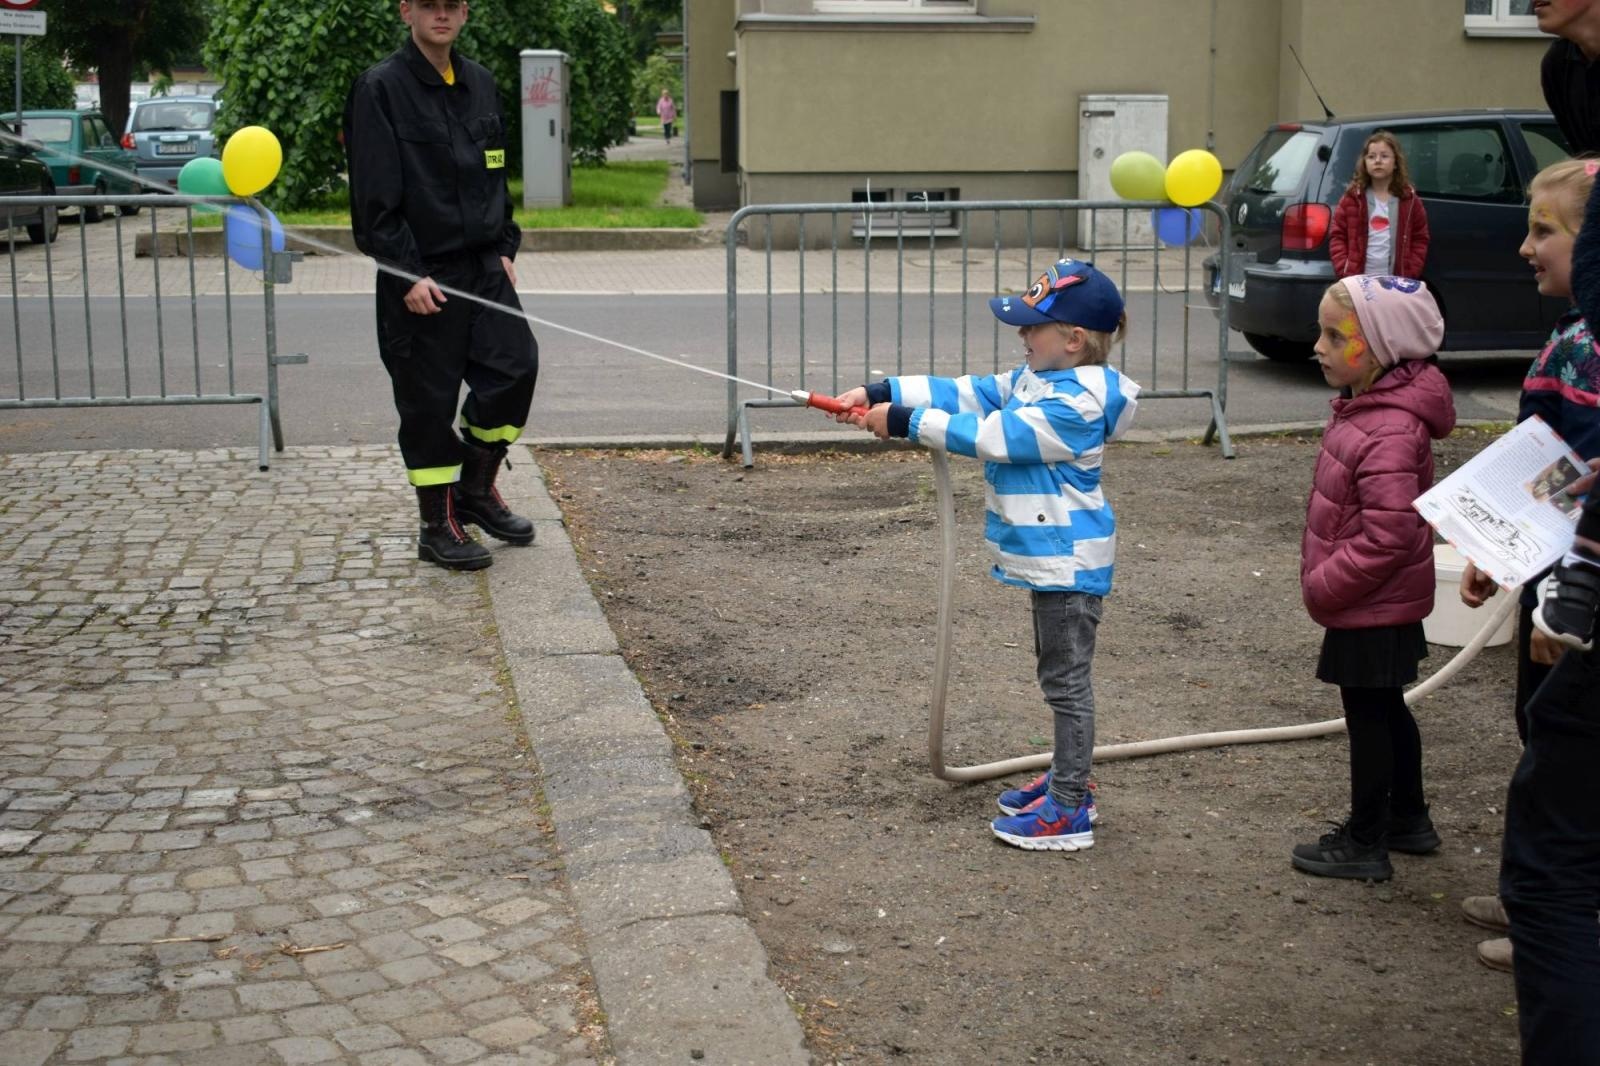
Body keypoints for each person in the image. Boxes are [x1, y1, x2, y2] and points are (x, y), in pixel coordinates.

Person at [829, 259, 1140, 852]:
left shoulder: (1075, 405)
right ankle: (1069, 779)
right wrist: (883, 392)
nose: (1022, 334)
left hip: (1070, 565)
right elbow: (966, 393)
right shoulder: (1035, 379)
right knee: (1058, 677)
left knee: (1065, 683)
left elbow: (995, 435)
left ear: (1074, 340)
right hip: (1053, 562)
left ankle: (1069, 806)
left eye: (1033, 326)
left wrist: (904, 422)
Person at [1454, 157, 1600, 974]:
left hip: (1583, 594)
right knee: (1537, 732)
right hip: (1548, 574)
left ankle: (1562, 913)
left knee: (1569, 760)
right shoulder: (1572, 335)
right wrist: (1497, 547)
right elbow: (1545, 462)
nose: (1525, 247)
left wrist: (1570, 590)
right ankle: (1535, 895)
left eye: (1545, 230)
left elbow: (1586, 481)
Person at [344, 0, 539, 572]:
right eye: (429, 4)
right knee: (428, 403)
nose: (441, 14)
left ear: (466, 13)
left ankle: (475, 490)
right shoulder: (380, 88)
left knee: (515, 369)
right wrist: (404, 270)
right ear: (407, 10)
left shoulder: (480, 82)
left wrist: (504, 245)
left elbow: (495, 170)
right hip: (421, 273)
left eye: (451, 5)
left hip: (483, 268)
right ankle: (436, 526)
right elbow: (372, 194)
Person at [1291, 275, 1455, 882]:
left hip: (1369, 601)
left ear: (1383, 348)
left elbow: (1390, 535)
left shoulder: (1387, 428)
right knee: (1386, 708)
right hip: (1379, 600)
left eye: (1336, 336)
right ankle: (1409, 818)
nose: (1319, 346)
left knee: (1370, 718)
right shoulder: (1371, 410)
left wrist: (1326, 584)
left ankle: (1366, 841)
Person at [1328, 131, 1430, 280]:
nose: (1377, 161)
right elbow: (1337, 235)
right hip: (1358, 282)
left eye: (1384, 156)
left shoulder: (1409, 200)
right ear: (1364, 163)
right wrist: (1344, 270)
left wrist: (1410, 271)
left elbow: (1420, 237)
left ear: (1396, 163)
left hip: (1395, 281)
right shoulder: (1352, 198)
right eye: (1371, 156)